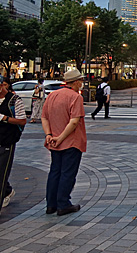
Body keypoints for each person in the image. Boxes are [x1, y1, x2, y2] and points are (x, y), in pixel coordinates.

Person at [41, 69, 87, 216]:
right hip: (71, 141)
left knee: (55, 171)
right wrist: (61, 137)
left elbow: (44, 117)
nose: (82, 83)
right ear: (76, 82)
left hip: (53, 141)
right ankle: (63, 204)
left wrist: (49, 135)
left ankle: (51, 204)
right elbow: (74, 122)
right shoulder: (76, 97)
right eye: (81, 80)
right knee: (67, 173)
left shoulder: (52, 95)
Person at [0, 77, 27, 211]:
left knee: (1, 174)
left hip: (7, 140)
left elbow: (22, 121)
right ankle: (8, 191)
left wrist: (4, 118)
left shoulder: (14, 100)